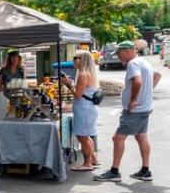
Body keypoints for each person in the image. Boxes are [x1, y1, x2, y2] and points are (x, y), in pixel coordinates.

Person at [94, 41, 162, 182]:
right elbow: (157, 76)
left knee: (118, 138)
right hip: (145, 107)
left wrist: (133, 100)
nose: (119, 58)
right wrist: (146, 94)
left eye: (119, 54)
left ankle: (114, 172)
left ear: (127, 51)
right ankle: (145, 170)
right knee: (141, 136)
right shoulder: (144, 62)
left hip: (136, 110)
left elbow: (137, 82)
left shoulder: (133, 64)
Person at [59, 50, 100, 170]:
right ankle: (93, 158)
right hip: (88, 108)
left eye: (76, 57)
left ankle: (87, 164)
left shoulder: (83, 74)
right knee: (86, 136)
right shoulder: (87, 73)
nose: (73, 60)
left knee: (83, 137)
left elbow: (78, 95)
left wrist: (68, 84)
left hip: (84, 109)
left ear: (83, 60)